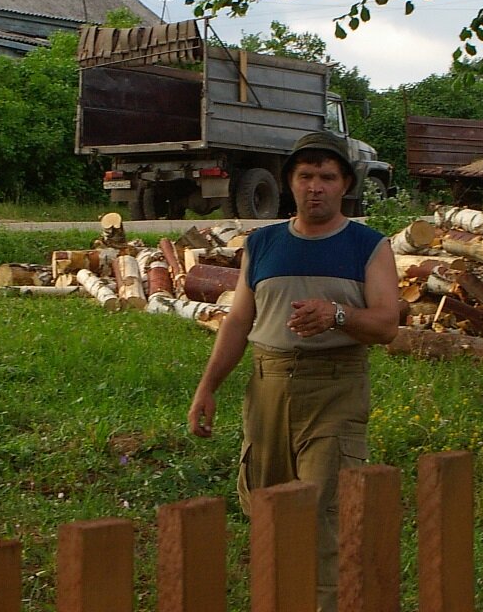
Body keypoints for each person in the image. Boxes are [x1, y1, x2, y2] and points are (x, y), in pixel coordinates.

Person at [187, 130, 401, 612]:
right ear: (290, 182)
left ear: (345, 183)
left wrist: (337, 314)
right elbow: (239, 322)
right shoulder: (262, 244)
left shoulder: (368, 245)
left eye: (327, 176)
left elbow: (387, 324)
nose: (315, 186)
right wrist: (207, 388)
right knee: (269, 511)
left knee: (323, 514)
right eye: (305, 176)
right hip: (268, 389)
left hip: (334, 390)